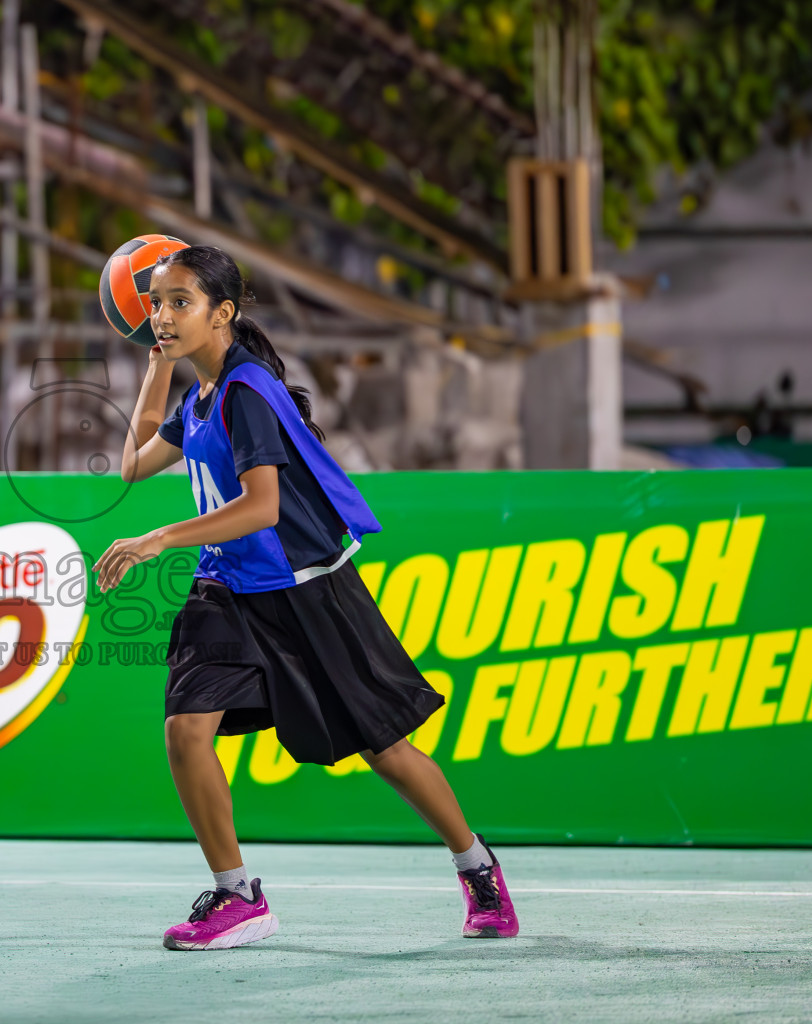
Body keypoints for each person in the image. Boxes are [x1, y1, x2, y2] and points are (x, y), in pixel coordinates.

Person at [93, 245, 518, 951]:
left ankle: (476, 866)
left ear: (222, 313)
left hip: (306, 590)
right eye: (156, 304)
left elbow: (262, 507)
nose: (161, 315)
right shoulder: (199, 397)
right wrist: (157, 357)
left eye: (179, 303)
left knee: (386, 749)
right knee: (185, 729)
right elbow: (134, 464)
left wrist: (159, 539)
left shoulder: (246, 393)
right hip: (227, 589)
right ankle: (237, 896)